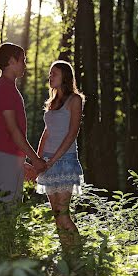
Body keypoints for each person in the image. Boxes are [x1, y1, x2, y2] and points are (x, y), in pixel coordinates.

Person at [0, 42, 46, 221]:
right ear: (12, 61)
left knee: (9, 209)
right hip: (5, 156)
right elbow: (13, 132)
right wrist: (35, 160)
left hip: (9, 157)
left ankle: (4, 247)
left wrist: (20, 162)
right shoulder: (5, 89)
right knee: (4, 213)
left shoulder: (9, 88)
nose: (25, 65)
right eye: (23, 60)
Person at [32, 60, 84, 241]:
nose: (50, 76)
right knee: (56, 215)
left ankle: (79, 258)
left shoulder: (75, 99)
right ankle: (67, 258)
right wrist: (38, 161)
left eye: (54, 73)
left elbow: (72, 133)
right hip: (47, 162)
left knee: (63, 214)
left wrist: (52, 160)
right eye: (50, 73)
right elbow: (47, 132)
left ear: (65, 77)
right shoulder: (52, 102)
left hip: (64, 161)